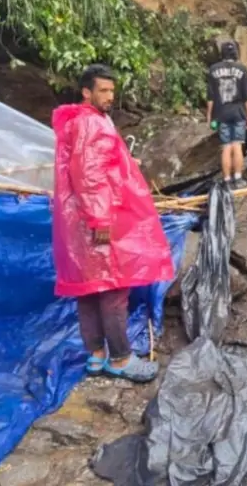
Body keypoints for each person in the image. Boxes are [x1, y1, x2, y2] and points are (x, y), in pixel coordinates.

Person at [51, 65, 174, 383]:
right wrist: (101, 221)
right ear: (86, 92)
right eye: (103, 91)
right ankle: (120, 358)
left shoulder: (78, 122)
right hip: (97, 220)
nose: (109, 96)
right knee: (114, 289)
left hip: (78, 223)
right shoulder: (92, 124)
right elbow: (89, 177)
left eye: (111, 91)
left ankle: (96, 356)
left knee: (89, 289)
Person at [207, 41, 247, 189]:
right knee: (237, 145)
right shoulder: (242, 69)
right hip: (238, 113)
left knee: (226, 147)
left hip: (221, 114)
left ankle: (227, 180)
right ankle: (238, 178)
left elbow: (210, 97)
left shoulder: (213, 70)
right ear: (235, 52)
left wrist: (209, 116)